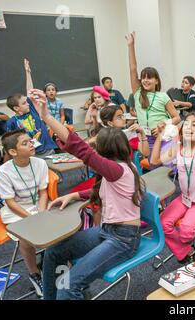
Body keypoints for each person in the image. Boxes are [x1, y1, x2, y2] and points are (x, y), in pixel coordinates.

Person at [26, 89, 144, 300]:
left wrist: (46, 116)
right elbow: (104, 191)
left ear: (106, 151)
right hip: (108, 230)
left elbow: (81, 150)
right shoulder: (118, 170)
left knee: (68, 288)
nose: (94, 150)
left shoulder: (117, 170)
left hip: (123, 239)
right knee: (53, 252)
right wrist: (74, 196)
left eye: (98, 148)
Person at [150, 66, 195, 263]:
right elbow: (154, 161)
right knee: (162, 223)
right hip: (184, 199)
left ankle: (186, 248)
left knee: (186, 229)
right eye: (186, 125)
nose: (189, 128)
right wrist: (160, 137)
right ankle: (188, 252)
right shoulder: (177, 148)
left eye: (194, 125)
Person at [0, 129, 49, 297]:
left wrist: (41, 212)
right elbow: (10, 202)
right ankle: (35, 274)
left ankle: (51, 263)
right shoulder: (3, 171)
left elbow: (43, 192)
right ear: (13, 152)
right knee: (25, 236)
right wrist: (32, 218)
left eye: (30, 141)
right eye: (25, 143)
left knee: (57, 228)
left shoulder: (40, 163)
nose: (31, 144)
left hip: (37, 206)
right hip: (16, 211)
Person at [126, 32, 181, 167]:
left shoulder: (163, 96)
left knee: (169, 168)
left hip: (163, 137)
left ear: (156, 80)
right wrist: (131, 46)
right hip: (146, 138)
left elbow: (177, 117)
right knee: (154, 168)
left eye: (149, 77)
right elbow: (133, 69)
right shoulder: (138, 93)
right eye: (143, 77)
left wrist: (165, 123)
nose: (145, 80)